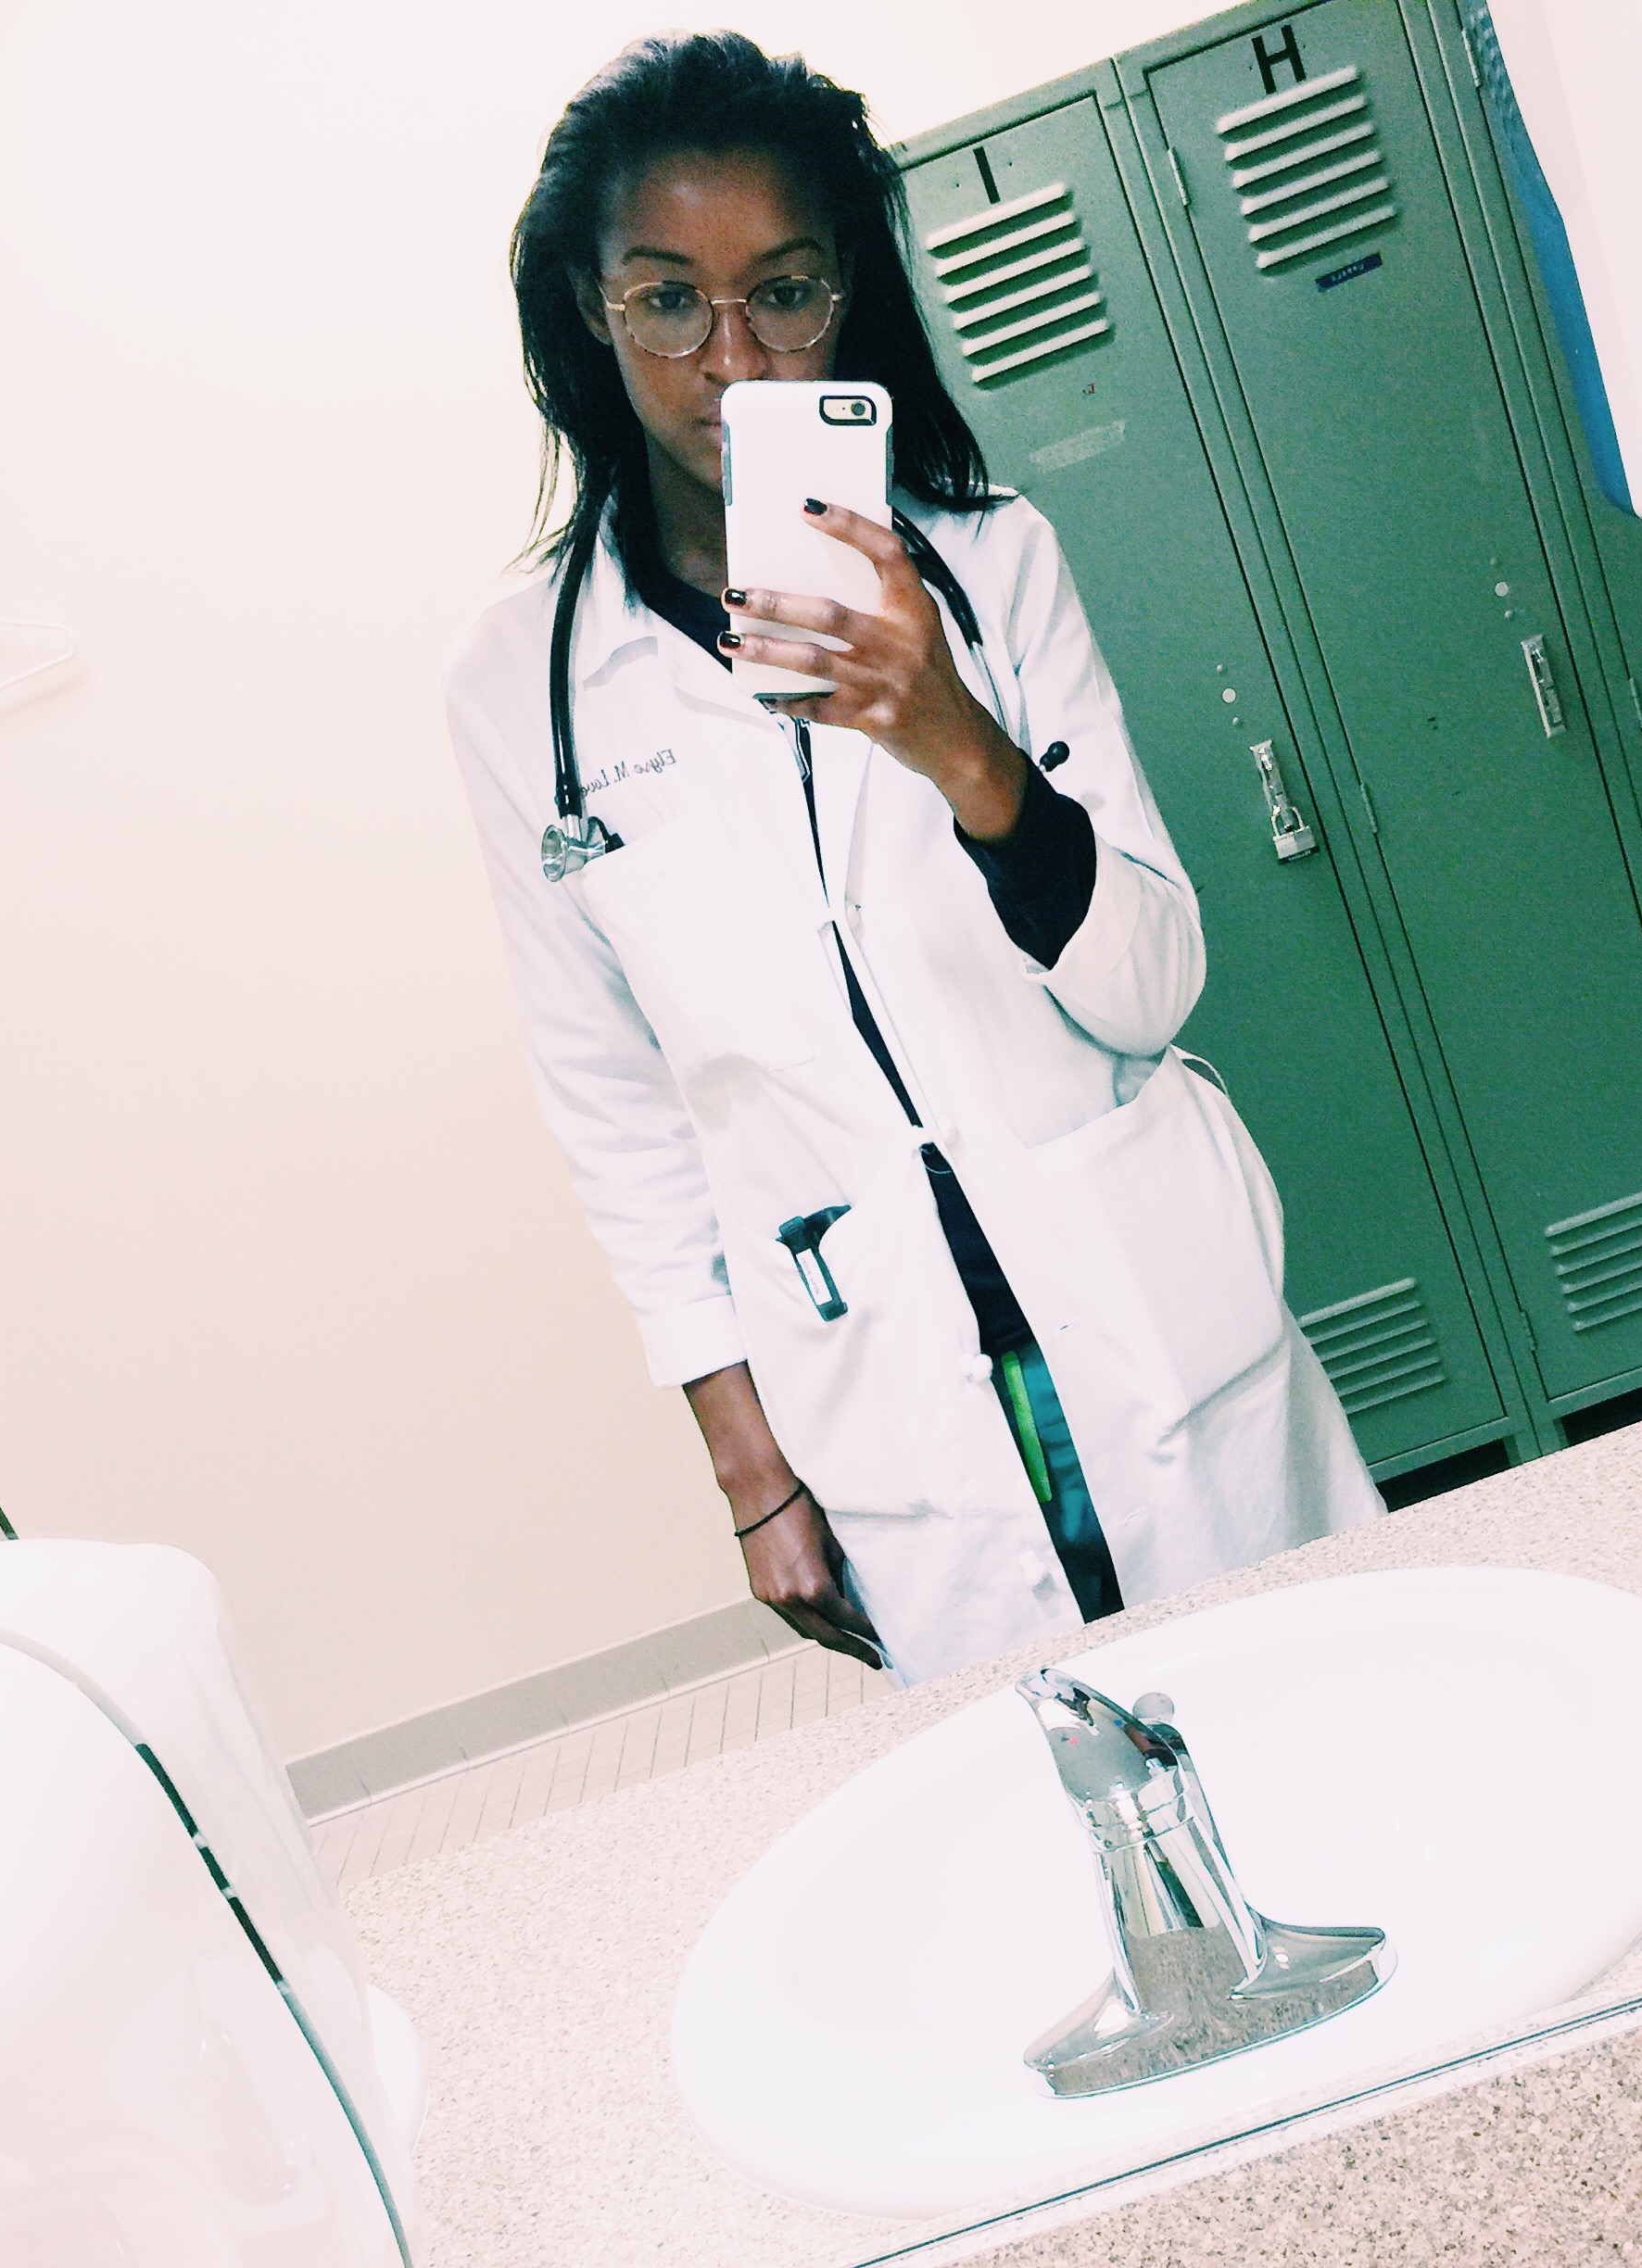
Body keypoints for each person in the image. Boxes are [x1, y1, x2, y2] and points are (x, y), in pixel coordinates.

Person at [445, 32, 1381, 1688]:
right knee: (1045, 1788)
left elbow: (1152, 987)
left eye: (783, 293)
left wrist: (959, 745)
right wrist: (749, 1473)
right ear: (592, 309)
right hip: (872, 1379)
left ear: (846, 294)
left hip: (1147, 1314)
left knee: (1319, 1702)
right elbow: (616, 1108)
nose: (735, 361)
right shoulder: (523, 689)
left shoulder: (993, 564)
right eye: (669, 301)